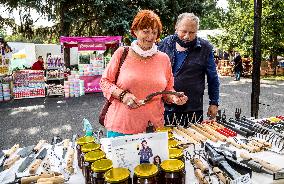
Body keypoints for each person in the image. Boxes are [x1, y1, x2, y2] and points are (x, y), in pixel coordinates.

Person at [100, 10, 188, 138]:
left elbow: (168, 89)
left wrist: (174, 98)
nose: (150, 36)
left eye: (154, 32)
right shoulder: (122, 53)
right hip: (121, 128)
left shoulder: (164, 59)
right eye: (146, 31)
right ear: (135, 31)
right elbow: (104, 82)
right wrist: (123, 95)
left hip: (153, 128)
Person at [158, 13, 220, 126]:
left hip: (193, 110)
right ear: (176, 28)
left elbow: (213, 78)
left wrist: (214, 102)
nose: (187, 36)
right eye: (184, 31)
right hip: (164, 108)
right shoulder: (163, 45)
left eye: (192, 33)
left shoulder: (205, 48)